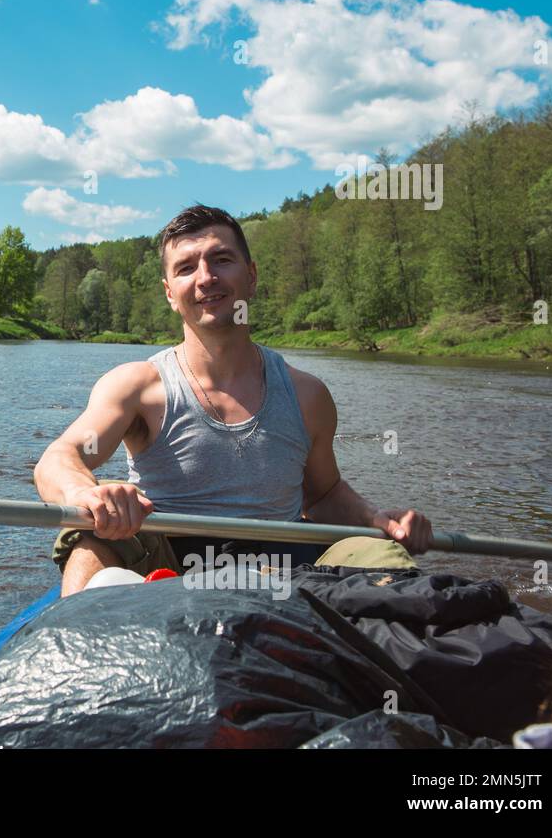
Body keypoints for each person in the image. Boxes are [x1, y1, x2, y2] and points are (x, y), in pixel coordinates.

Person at [35, 204, 433, 597]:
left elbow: (323, 495)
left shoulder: (307, 394)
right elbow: (61, 457)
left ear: (252, 276)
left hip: (285, 568)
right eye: (186, 267)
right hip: (168, 565)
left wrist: (375, 519)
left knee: (383, 553)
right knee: (91, 527)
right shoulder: (136, 387)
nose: (206, 278)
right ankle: (79, 646)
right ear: (170, 293)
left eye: (221, 260)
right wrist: (84, 494)